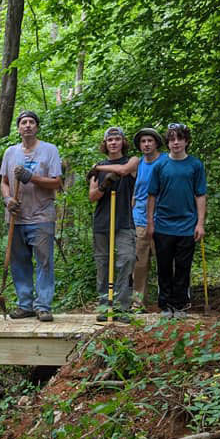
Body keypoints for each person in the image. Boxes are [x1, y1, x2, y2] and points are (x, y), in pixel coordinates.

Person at [0, 111, 62, 322]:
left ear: (37, 127)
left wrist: (31, 177)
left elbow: (56, 182)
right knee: (19, 262)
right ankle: (24, 304)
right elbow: (4, 182)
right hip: (17, 217)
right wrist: (7, 199)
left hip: (42, 215)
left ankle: (43, 305)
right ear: (18, 128)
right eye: (23, 122)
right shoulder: (10, 152)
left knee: (44, 261)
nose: (27, 126)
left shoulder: (49, 150)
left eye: (31, 122)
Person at [146, 123, 207, 318]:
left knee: (183, 266)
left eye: (179, 138)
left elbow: (200, 195)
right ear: (167, 143)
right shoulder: (160, 166)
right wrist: (150, 222)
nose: (176, 142)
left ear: (186, 141)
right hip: (163, 224)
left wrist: (200, 223)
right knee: (164, 266)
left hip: (187, 224)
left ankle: (180, 305)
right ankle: (165, 305)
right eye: (172, 139)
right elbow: (152, 196)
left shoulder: (195, 165)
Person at [88, 127, 136, 321]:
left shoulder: (132, 161)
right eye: (110, 140)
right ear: (105, 144)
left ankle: (122, 307)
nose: (113, 143)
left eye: (117, 139)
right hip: (102, 222)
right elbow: (92, 196)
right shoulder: (98, 168)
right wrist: (104, 184)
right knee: (102, 264)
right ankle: (104, 307)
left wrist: (99, 168)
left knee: (126, 260)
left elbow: (124, 171)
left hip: (125, 221)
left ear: (123, 142)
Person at [130, 128, 167, 308]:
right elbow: (135, 192)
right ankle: (138, 302)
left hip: (163, 219)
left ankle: (168, 301)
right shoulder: (138, 165)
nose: (146, 144)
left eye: (149, 141)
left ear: (156, 143)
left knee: (166, 262)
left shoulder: (166, 161)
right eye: (143, 141)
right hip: (139, 219)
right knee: (139, 264)